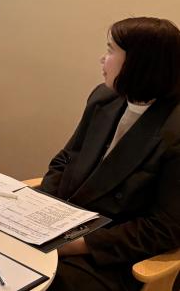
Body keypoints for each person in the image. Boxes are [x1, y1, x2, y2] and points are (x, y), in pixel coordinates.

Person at [40, 17, 180, 291]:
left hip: (112, 256)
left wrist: (76, 244)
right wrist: (40, 211)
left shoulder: (174, 130)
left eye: (110, 50)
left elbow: (165, 228)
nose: (102, 59)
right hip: (62, 227)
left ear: (140, 63)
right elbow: (65, 159)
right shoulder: (103, 97)